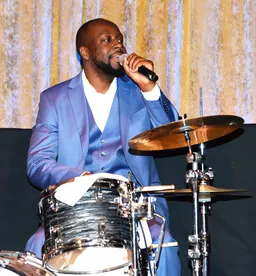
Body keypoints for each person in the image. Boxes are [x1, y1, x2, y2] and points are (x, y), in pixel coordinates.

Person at [25, 18, 181, 275]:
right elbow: (37, 164)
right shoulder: (54, 99)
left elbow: (173, 134)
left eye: (119, 38)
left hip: (136, 206)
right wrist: (80, 179)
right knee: (37, 244)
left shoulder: (138, 93)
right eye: (107, 39)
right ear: (85, 52)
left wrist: (149, 88)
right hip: (76, 207)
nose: (118, 44)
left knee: (161, 243)